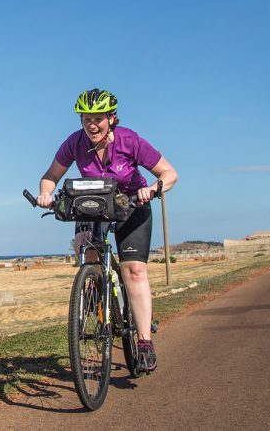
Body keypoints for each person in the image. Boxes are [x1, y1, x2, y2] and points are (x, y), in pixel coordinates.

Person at [38, 88, 178, 374]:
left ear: (111, 118)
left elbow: (169, 174)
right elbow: (51, 176)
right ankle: (92, 285)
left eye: (98, 118)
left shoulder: (130, 140)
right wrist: (46, 194)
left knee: (134, 271)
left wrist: (150, 190)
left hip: (132, 206)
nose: (91, 124)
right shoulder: (74, 143)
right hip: (93, 206)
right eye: (86, 118)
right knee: (83, 246)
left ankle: (144, 342)